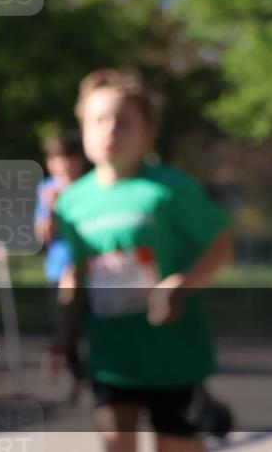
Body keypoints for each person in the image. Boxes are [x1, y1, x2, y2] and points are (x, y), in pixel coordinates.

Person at [50, 69, 233, 452]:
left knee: (174, 444)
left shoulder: (170, 190)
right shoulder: (70, 203)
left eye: (124, 122)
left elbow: (221, 246)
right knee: (116, 442)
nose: (110, 131)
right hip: (110, 353)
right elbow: (78, 273)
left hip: (172, 355)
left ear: (149, 134)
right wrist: (63, 339)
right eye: (98, 121)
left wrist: (181, 285)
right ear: (83, 129)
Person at [34, 128, 88, 401]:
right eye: (57, 158)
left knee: (78, 325)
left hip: (87, 268)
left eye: (69, 157)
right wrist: (51, 210)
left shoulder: (90, 187)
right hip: (58, 268)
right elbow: (43, 236)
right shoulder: (46, 190)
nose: (64, 165)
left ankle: (69, 364)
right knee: (64, 323)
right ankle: (76, 373)